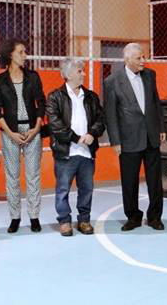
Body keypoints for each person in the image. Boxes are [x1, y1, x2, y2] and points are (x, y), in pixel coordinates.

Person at [102, 42, 167, 231]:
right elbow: (110, 114)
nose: (143, 61)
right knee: (129, 181)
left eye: (144, 57)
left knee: (155, 181)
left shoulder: (150, 75)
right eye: (139, 58)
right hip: (128, 139)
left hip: (152, 135)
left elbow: (156, 102)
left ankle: (155, 217)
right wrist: (115, 140)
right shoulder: (112, 81)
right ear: (127, 59)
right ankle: (133, 217)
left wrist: (161, 127)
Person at [0, 38, 46, 233]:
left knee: (33, 175)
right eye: (21, 52)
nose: (25, 55)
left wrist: (36, 128)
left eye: (25, 51)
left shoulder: (33, 77)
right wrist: (10, 133)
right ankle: (15, 218)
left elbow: (41, 103)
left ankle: (34, 217)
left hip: (32, 131)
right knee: (12, 176)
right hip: (9, 133)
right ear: (10, 54)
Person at [47, 58, 106, 236]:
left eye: (83, 70)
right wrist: (76, 138)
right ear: (68, 74)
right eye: (80, 71)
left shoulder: (91, 97)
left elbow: (101, 119)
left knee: (86, 189)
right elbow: (55, 124)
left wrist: (92, 134)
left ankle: (84, 220)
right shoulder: (55, 97)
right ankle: (64, 221)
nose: (84, 74)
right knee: (63, 189)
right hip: (66, 153)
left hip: (87, 153)